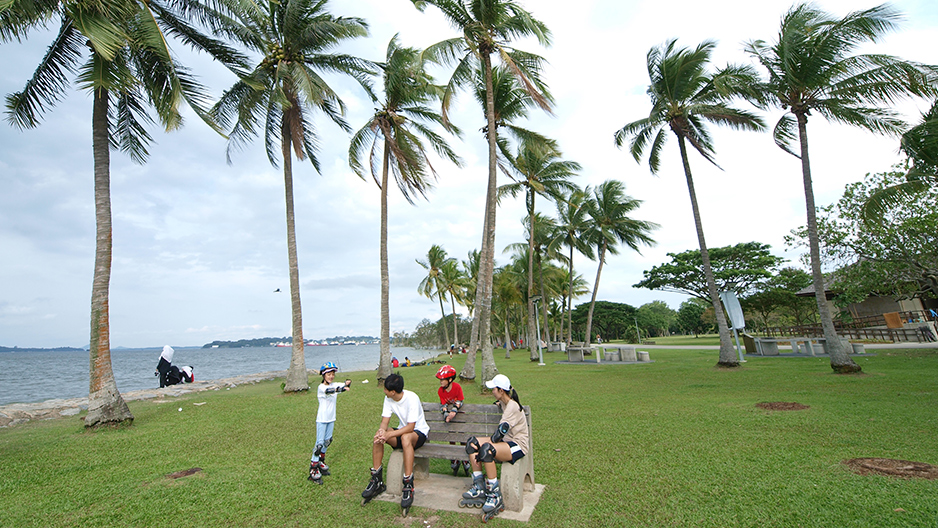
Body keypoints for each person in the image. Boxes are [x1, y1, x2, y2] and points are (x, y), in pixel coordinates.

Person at [460, 374, 529, 521]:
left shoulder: (512, 406)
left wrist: (484, 449)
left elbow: (498, 435)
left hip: (518, 445)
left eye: (494, 389)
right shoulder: (504, 402)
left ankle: (494, 494)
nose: (492, 391)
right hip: (507, 442)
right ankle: (479, 486)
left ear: (501, 390)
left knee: (486, 450)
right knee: (472, 443)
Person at [361, 373, 429, 515]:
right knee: (377, 438)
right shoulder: (389, 399)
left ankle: (408, 484)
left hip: (418, 433)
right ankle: (377, 480)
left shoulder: (412, 398)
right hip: (402, 432)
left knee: (405, 438)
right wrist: (381, 432)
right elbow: (385, 422)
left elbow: (410, 427)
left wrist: (389, 434)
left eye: (385, 389)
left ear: (393, 391)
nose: (384, 391)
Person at [308, 362, 352, 484]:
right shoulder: (321, 387)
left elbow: (341, 385)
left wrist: (347, 383)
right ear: (323, 375)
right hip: (322, 419)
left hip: (331, 418)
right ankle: (313, 469)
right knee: (319, 444)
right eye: (328, 374)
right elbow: (331, 390)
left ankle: (321, 461)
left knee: (327, 441)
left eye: (332, 374)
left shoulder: (334, 384)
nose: (331, 376)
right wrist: (342, 388)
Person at [436, 365, 471, 476]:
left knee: (461, 437)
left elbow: (460, 400)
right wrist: (446, 413)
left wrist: (454, 411)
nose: (441, 382)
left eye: (443, 379)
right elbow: (443, 404)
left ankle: (465, 459)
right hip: (450, 419)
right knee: (451, 436)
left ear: (450, 380)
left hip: (460, 416)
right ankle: (454, 459)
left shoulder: (457, 387)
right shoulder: (441, 391)